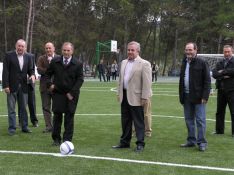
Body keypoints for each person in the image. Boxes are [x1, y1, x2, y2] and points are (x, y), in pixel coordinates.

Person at [112, 41, 152, 152]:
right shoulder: (123, 62)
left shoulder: (144, 64)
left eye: (132, 50)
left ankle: (140, 143)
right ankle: (125, 142)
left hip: (137, 98)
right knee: (125, 121)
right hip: (124, 96)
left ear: (138, 51)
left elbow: (147, 83)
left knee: (138, 122)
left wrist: (145, 97)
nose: (130, 52)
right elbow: (121, 80)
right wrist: (119, 93)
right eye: (129, 50)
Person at [45, 42, 84, 146]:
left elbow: (80, 80)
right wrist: (50, 85)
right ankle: (56, 139)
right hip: (58, 93)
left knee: (69, 117)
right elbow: (47, 74)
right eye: (64, 50)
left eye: (68, 50)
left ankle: (67, 140)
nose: (66, 52)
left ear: (72, 51)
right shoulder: (55, 61)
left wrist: (72, 92)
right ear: (61, 50)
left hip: (71, 95)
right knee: (57, 117)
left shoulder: (78, 64)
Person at [179, 42, 211, 152]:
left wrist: (205, 96)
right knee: (188, 120)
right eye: (186, 50)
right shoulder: (184, 62)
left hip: (199, 97)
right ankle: (191, 140)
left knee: (200, 120)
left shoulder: (202, 62)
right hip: (186, 96)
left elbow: (207, 81)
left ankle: (202, 142)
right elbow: (181, 80)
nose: (188, 52)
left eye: (190, 50)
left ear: (195, 50)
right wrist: (181, 96)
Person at [2, 39, 35, 135]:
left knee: (23, 108)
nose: (20, 48)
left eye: (22, 46)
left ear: (25, 48)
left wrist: (32, 75)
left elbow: (31, 70)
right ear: (16, 46)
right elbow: (5, 71)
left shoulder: (29, 57)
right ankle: (12, 128)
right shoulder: (9, 55)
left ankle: (24, 127)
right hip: (11, 86)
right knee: (11, 108)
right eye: (19, 46)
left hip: (24, 86)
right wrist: (6, 85)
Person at [212, 45, 234, 137]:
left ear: (232, 52)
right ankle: (219, 131)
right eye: (225, 52)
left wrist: (222, 72)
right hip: (221, 90)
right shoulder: (220, 62)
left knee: (233, 111)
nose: (227, 53)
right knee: (219, 111)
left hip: (232, 90)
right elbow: (214, 74)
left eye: (228, 51)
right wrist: (225, 74)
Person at [37, 42, 58, 133]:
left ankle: (56, 126)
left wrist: (47, 71)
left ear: (54, 48)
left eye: (50, 48)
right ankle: (49, 126)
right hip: (44, 87)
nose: (48, 50)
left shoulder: (58, 58)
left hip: (56, 87)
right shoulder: (41, 58)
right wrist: (51, 70)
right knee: (46, 107)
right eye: (46, 48)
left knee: (57, 108)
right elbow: (39, 70)